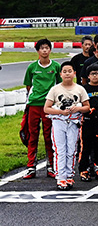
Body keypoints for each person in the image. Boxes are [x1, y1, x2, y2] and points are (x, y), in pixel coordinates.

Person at [44, 62, 90, 190]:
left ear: (74, 73)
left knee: (72, 150)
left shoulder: (80, 89)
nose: (67, 73)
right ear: (60, 74)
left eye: (70, 71)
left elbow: (87, 107)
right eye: (65, 71)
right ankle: (61, 178)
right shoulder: (55, 89)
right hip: (59, 121)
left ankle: (69, 175)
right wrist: (60, 112)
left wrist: (77, 109)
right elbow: (46, 109)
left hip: (74, 122)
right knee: (60, 150)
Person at [23, 38, 62, 179]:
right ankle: (30, 166)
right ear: (38, 51)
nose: (45, 50)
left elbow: (59, 85)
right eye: (42, 48)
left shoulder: (56, 66)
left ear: (50, 50)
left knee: (49, 136)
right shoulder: (32, 67)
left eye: (47, 48)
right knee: (32, 135)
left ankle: (51, 166)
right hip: (34, 104)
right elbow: (28, 86)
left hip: (49, 106)